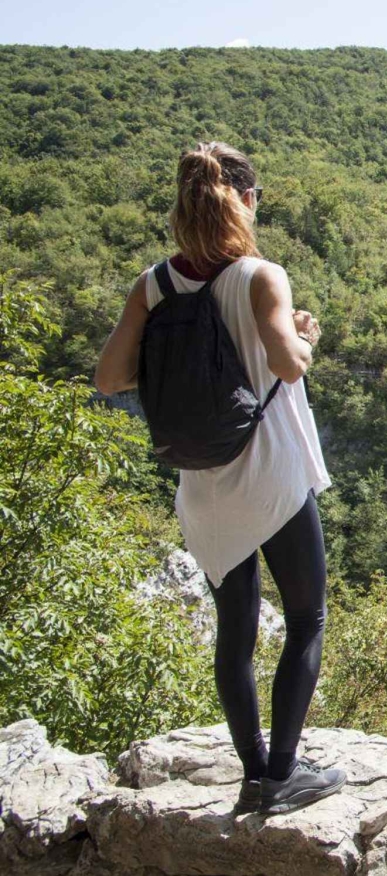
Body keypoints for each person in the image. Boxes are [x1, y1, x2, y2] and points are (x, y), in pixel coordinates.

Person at [95, 141, 345, 816]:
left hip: (201, 489)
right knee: (307, 618)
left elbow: (109, 377)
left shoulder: (153, 286)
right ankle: (284, 774)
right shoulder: (261, 275)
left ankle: (253, 772)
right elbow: (287, 365)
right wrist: (303, 335)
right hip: (269, 478)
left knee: (234, 634)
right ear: (248, 200)